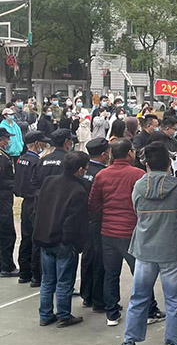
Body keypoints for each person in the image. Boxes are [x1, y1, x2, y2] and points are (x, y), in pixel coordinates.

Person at [116, 142, 177, 345]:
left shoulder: (138, 186)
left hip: (144, 249)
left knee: (139, 297)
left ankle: (129, 343)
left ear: (147, 164)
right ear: (169, 163)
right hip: (173, 249)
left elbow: (135, 209)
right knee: (174, 299)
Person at [88, 139, 165, 326]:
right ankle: (150, 310)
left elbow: (94, 203)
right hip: (131, 232)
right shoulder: (138, 174)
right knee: (141, 272)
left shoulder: (102, 175)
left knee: (111, 273)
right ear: (129, 153)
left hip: (108, 231)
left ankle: (112, 313)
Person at [34, 150, 90, 328]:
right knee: (64, 280)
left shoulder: (49, 181)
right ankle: (64, 315)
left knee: (47, 280)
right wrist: (73, 243)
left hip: (45, 237)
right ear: (80, 170)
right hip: (63, 241)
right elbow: (74, 222)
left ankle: (45, 314)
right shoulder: (79, 190)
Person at [13, 131, 50, 285]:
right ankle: (36, 275)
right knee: (36, 238)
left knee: (26, 237)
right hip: (35, 201)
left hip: (25, 201)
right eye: (42, 142)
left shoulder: (21, 159)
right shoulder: (36, 162)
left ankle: (24, 272)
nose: (44, 145)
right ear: (36, 143)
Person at [80, 138, 110, 312]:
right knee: (99, 259)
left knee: (87, 257)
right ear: (104, 153)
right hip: (98, 220)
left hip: (83, 220)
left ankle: (87, 295)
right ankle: (99, 299)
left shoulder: (84, 170)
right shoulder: (102, 174)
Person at [0, 128, 18, 278]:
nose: (8, 141)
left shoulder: (4, 155)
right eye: (6, 138)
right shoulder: (1, 157)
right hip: (2, 199)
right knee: (7, 233)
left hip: (4, 198)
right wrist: (15, 184)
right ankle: (6, 266)